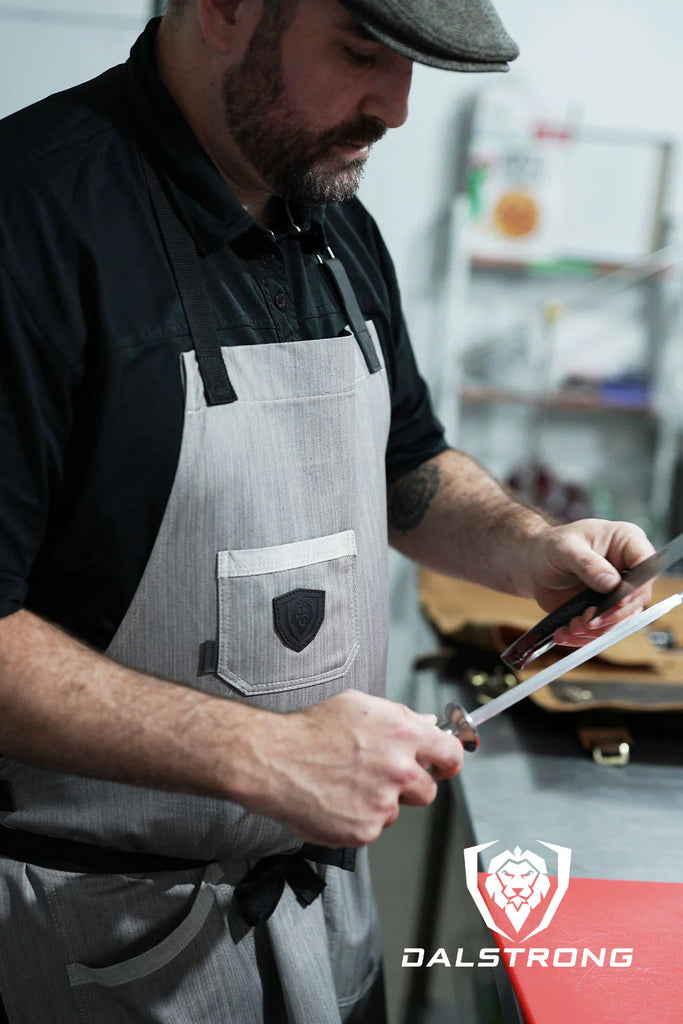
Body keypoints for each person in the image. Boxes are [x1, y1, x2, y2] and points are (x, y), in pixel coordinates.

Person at [0, 1, 655, 1022]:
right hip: (103, 945)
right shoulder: (30, 219)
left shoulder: (332, 221)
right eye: (360, 53)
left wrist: (531, 548)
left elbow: (408, 467)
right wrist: (262, 753)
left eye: (410, 68)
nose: (392, 107)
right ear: (220, 8)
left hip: (318, 924)